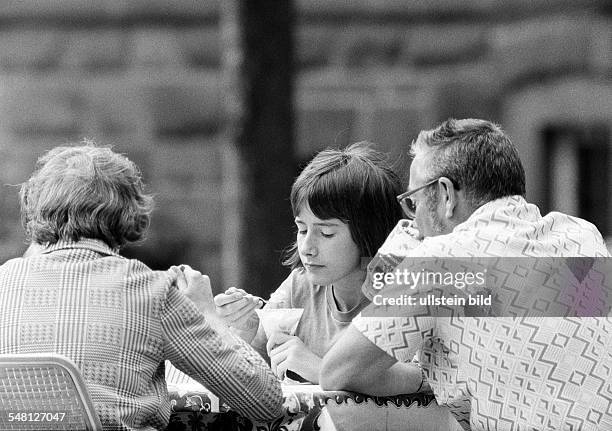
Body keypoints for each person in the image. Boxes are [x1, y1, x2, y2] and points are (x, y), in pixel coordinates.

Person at [320, 119, 612, 429]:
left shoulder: (440, 260)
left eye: (414, 202)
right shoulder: (582, 237)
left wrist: (402, 271)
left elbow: (339, 371)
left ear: (446, 195)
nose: (413, 218)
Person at [0, 143, 283, 430]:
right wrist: (208, 314)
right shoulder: (151, 292)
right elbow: (265, 401)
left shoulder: (3, 283)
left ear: (37, 207)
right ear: (129, 212)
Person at [214, 142, 422, 385]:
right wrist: (245, 333)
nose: (307, 248)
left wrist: (322, 370)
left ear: (370, 232)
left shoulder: (404, 289)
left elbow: (422, 380)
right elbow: (242, 379)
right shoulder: (299, 287)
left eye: (326, 234)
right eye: (302, 229)